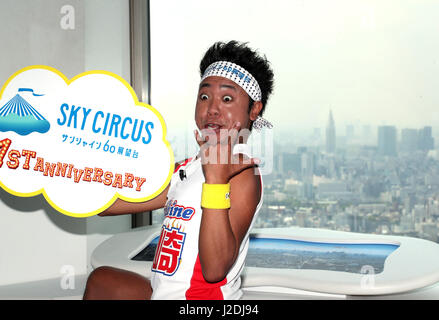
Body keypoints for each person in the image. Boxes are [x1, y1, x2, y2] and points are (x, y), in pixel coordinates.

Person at [83, 40, 274, 300]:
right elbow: (106, 205)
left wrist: (216, 180)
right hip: (165, 294)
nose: (213, 109)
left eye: (227, 99)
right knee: (103, 281)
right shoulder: (186, 169)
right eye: (204, 96)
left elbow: (215, 269)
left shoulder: (241, 173)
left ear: (254, 110)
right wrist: (52, 167)